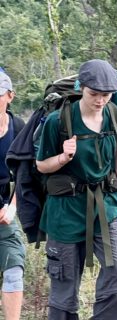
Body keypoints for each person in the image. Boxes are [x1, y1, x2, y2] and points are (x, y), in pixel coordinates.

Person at [36, 59, 117, 319]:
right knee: (64, 285)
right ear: (81, 87)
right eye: (94, 94)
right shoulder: (57, 121)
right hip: (65, 209)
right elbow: (41, 165)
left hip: (106, 205)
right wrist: (62, 158)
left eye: (106, 95)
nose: (100, 100)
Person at [0, 72, 26, 320]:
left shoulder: (19, 129)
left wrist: (13, 207)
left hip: (5, 212)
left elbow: (24, 174)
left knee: (14, 269)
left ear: (10, 96)